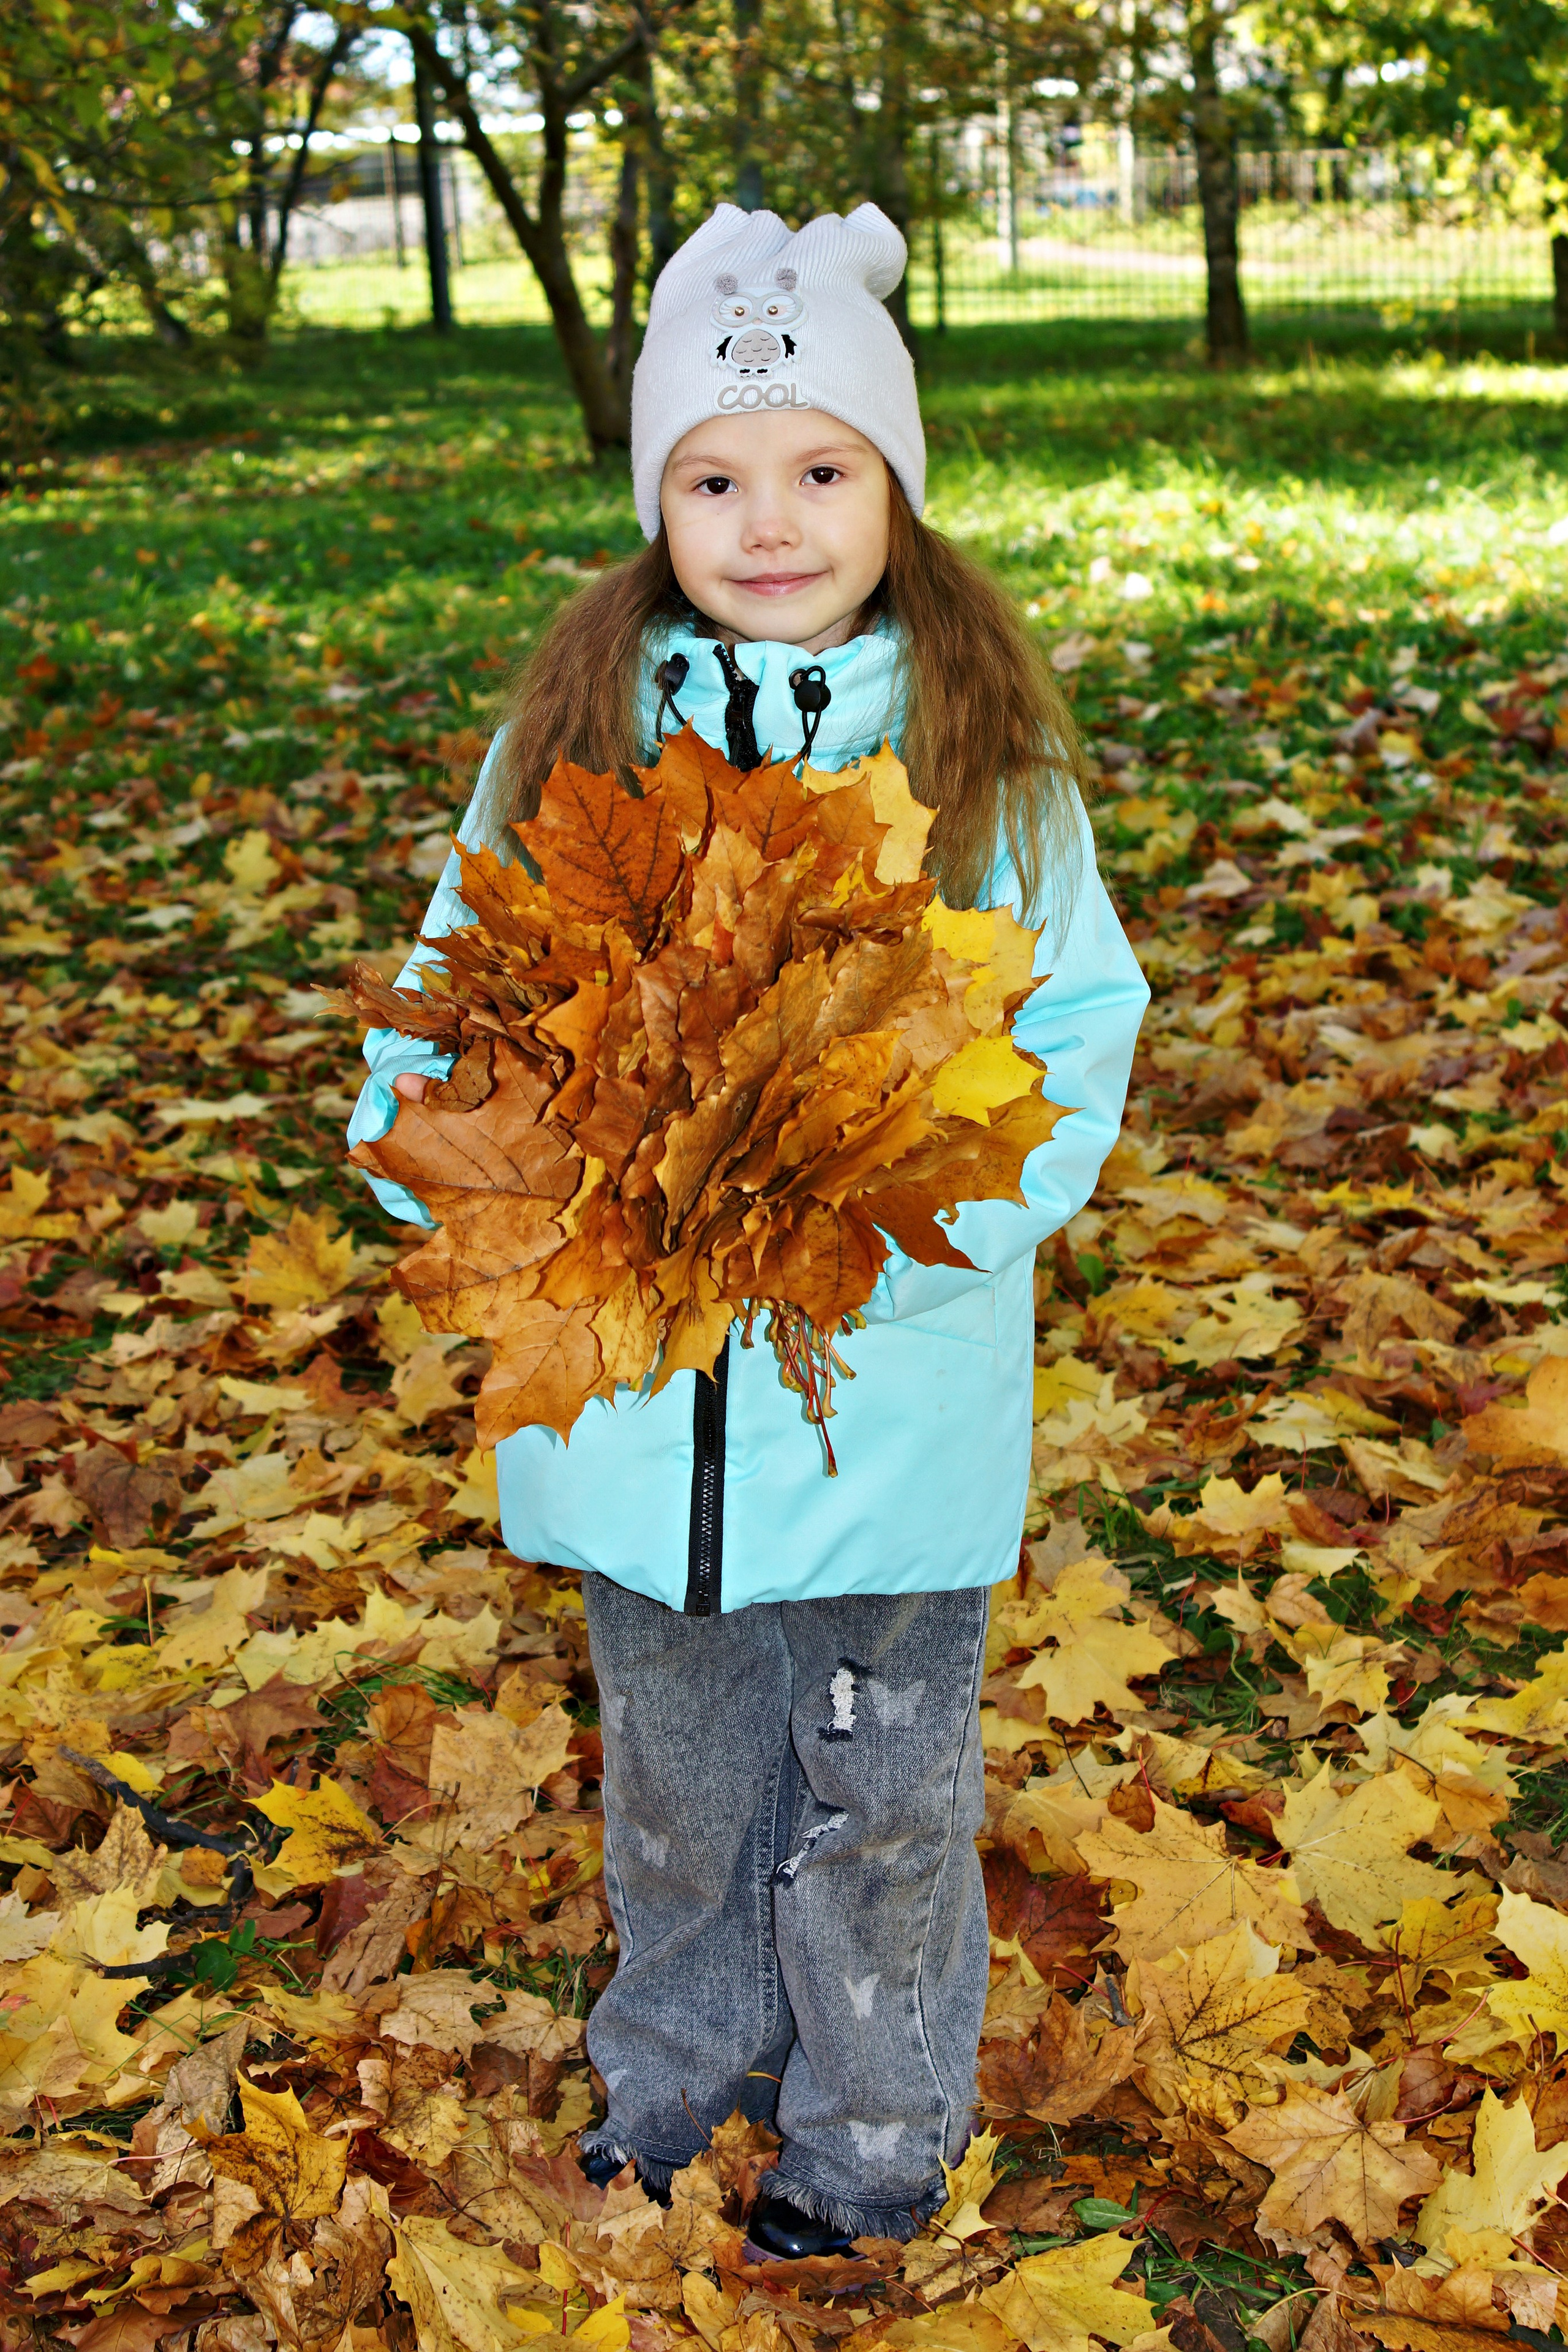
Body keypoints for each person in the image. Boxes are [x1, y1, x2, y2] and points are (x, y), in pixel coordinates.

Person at [347, 202, 1149, 2258]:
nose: (768, 520)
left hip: (876, 1402)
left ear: (894, 488)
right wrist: (444, 1156)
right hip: (637, 1412)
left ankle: (875, 2133)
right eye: (714, 475)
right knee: (684, 1789)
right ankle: (676, 2085)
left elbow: (1071, 1015)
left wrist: (942, 1212)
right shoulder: (580, 737)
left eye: (820, 470)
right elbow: (464, 983)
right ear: (656, 505)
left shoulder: (982, 763)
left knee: (879, 1793)